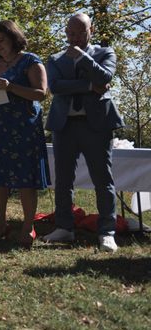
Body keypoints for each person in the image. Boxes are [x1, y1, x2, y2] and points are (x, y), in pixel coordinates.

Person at [42, 13, 124, 252]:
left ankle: (107, 232)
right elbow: (55, 87)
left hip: (96, 125)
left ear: (91, 30)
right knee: (63, 180)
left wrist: (84, 58)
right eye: (70, 33)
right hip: (64, 125)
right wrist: (90, 86)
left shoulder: (105, 53)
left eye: (79, 32)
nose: (73, 38)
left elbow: (105, 77)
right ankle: (64, 228)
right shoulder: (56, 58)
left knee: (102, 179)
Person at [0, 21, 50, 248]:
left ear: (14, 38)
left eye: (2, 40)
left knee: (25, 179)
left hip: (24, 128)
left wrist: (11, 87)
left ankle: (29, 227)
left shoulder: (31, 61)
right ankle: (0, 225)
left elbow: (41, 94)